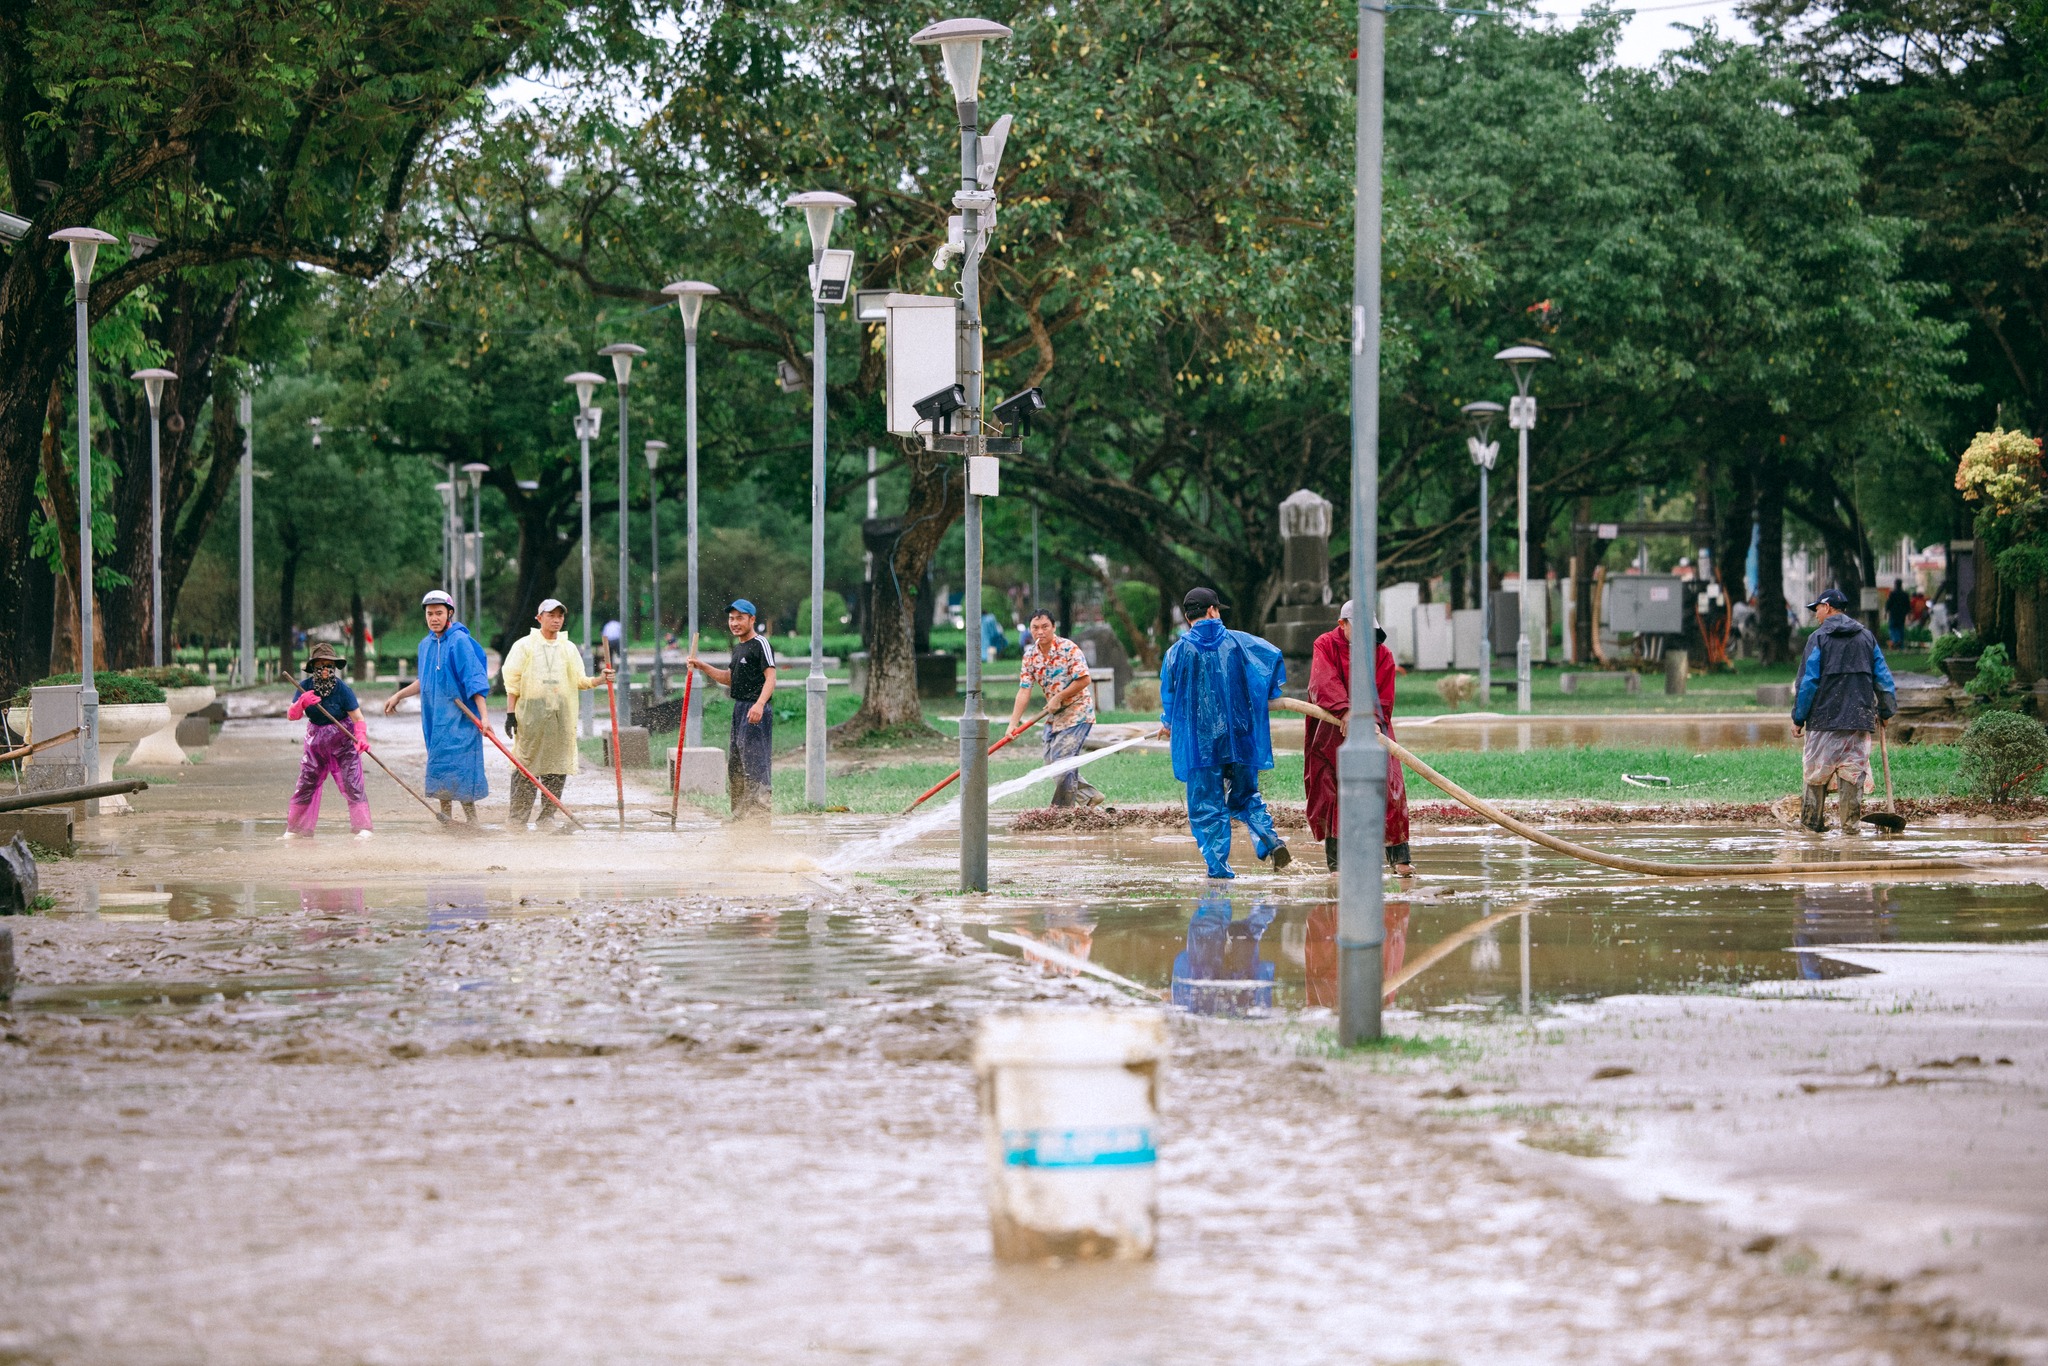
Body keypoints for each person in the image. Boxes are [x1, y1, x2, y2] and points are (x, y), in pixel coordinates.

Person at [1157, 587, 1291, 878]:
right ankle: (1271, 840)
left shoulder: (1175, 653)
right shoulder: (1241, 642)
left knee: (1207, 807)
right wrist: (1267, 693)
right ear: (1212, 611)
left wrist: (1167, 723)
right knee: (1245, 796)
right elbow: (1272, 658)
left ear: (1188, 615)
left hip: (1201, 745)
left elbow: (1169, 695)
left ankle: (1219, 870)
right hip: (1240, 739)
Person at [1302, 602, 1413, 876]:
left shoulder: (1382, 654)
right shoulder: (1325, 645)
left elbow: (1383, 695)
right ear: (1343, 625)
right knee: (1332, 791)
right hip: (1329, 731)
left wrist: (1372, 720)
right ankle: (1337, 864)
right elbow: (1322, 682)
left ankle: (1400, 858)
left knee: (1388, 785)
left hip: (1373, 728)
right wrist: (1345, 710)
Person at [1792, 587, 1897, 832]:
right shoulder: (1867, 638)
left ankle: (1811, 829)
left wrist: (1798, 718)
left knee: (1815, 778)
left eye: (1816, 609)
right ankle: (1850, 830)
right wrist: (1886, 710)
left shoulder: (1817, 639)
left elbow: (1807, 683)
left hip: (1822, 723)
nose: (1815, 614)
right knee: (1852, 778)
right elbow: (1883, 679)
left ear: (1827, 607)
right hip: (1858, 724)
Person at [383, 589, 491, 824]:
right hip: (436, 719)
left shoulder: (460, 641)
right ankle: (447, 819)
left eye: (439, 613)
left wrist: (484, 717)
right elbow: (425, 679)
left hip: (462, 719)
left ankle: (472, 821)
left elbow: (474, 680)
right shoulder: (425, 645)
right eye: (430, 613)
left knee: (462, 768)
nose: (434, 618)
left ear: (449, 613)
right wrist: (399, 696)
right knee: (441, 765)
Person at [501, 598, 611, 828]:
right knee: (526, 764)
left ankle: (547, 816)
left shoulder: (568, 648)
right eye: (551, 615)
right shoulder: (524, 646)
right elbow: (513, 682)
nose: (556, 620)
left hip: (561, 716)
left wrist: (600, 679)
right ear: (539, 618)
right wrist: (511, 713)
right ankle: (517, 819)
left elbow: (580, 680)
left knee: (557, 765)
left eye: (560, 615)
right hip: (531, 715)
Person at [687, 599, 777, 820]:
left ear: (752, 619)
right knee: (736, 766)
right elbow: (730, 679)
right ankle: (739, 817)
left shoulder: (760, 644)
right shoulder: (738, 648)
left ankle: (758, 818)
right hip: (739, 710)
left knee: (755, 766)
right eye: (731, 618)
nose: (734, 623)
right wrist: (703, 666)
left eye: (740, 618)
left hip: (756, 711)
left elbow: (771, 677)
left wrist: (759, 704)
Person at [1007, 610, 1103, 808]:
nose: (1040, 631)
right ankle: (1089, 796)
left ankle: (1061, 811)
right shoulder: (1030, 656)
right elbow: (1024, 691)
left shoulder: (1068, 648)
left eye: (1045, 627)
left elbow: (1084, 679)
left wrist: (1059, 696)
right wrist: (1012, 725)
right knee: (1051, 764)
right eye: (1035, 627)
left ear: (1053, 627)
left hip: (1077, 711)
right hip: (1054, 714)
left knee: (1062, 759)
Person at [282, 642, 373, 840]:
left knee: (352, 783)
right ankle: (295, 829)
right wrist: (302, 702)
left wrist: (361, 736)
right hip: (316, 742)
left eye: (329, 664)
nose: (325, 669)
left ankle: (363, 827)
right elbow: (292, 715)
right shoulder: (304, 687)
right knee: (306, 783)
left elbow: (358, 718)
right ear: (313, 667)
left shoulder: (343, 690)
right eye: (320, 664)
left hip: (343, 741)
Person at [1885, 578, 1911, 648]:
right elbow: (1908, 605)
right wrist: (1908, 614)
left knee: (1892, 628)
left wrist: (1886, 612)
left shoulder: (1892, 594)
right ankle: (1901, 644)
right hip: (1902, 614)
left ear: (1895, 585)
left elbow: (1888, 604)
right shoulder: (1905, 594)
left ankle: (1896, 640)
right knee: (1900, 628)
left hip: (1893, 614)